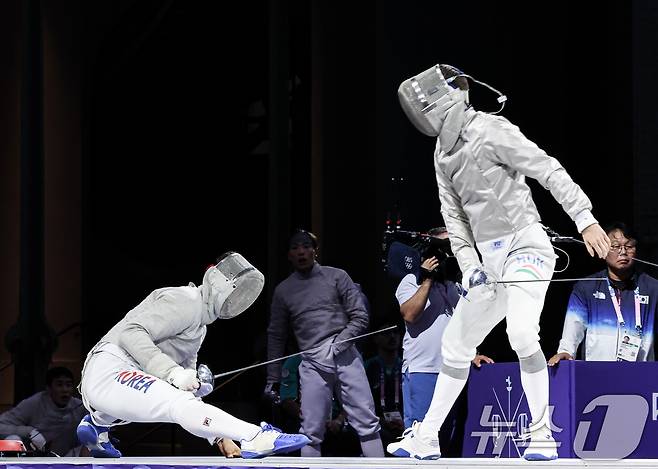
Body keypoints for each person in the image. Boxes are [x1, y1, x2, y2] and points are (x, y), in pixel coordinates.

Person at [389, 64, 610, 461]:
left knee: (522, 332)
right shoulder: (442, 153)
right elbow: (454, 217)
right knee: (455, 345)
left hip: (526, 247)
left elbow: (547, 168)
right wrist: (470, 265)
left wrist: (586, 219)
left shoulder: (491, 129)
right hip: (488, 264)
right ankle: (428, 436)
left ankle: (542, 434)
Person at [76, 251, 309, 458]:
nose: (236, 298)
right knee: (174, 404)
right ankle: (255, 436)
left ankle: (97, 426)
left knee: (178, 397)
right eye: (235, 288)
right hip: (110, 369)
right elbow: (131, 332)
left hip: (119, 380)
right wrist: (173, 373)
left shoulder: (199, 327)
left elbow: (184, 389)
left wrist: (219, 436)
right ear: (218, 280)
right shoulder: (185, 300)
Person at [265, 230, 384, 457]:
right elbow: (276, 335)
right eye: (295, 247)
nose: (301, 251)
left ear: (315, 251)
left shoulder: (337, 276)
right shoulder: (283, 291)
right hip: (311, 362)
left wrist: (337, 345)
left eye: (306, 246)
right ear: (289, 255)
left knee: (367, 423)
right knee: (310, 431)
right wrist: (273, 378)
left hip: (346, 357)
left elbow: (360, 316)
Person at [394, 227, 493, 456]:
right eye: (443, 249)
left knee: (445, 439)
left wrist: (473, 352)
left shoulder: (455, 286)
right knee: (419, 439)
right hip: (423, 370)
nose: (448, 255)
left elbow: (468, 325)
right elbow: (409, 314)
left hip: (452, 371)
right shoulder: (411, 280)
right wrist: (427, 279)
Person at [549, 222, 658, 364]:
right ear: (603, 249)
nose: (623, 252)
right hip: (597, 375)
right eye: (615, 246)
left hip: (642, 377)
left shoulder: (653, 288)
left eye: (629, 246)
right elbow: (573, 328)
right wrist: (565, 351)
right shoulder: (586, 288)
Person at [0, 367, 87, 456]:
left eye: (68, 385)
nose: (65, 390)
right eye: (59, 385)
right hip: (33, 459)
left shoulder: (79, 407)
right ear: (49, 388)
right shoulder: (34, 403)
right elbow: (1, 426)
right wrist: (30, 432)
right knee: (12, 439)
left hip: (67, 459)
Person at [364, 323, 404, 449]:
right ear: (375, 338)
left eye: (396, 332)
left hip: (405, 424)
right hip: (376, 424)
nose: (392, 336)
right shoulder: (367, 367)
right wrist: (380, 420)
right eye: (386, 333)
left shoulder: (407, 366)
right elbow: (360, 402)